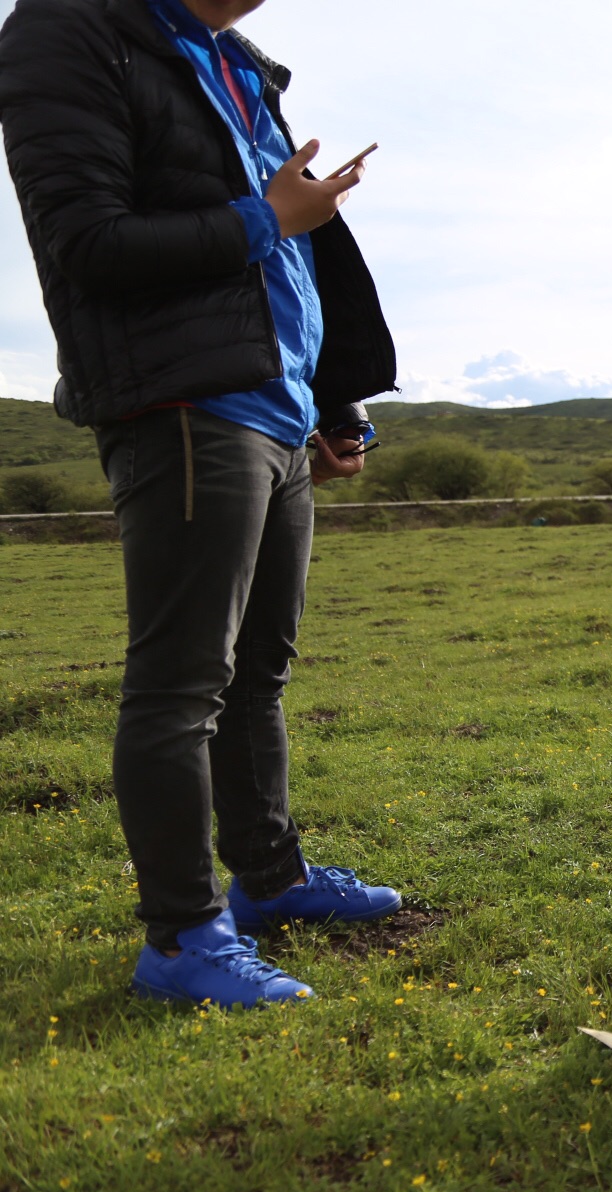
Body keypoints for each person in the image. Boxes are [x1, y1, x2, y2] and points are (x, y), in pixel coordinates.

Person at [0, 0, 402, 1008]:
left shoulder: (240, 66)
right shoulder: (67, 30)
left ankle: (271, 883)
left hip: (276, 408)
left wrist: (332, 395)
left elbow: (291, 263)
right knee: (182, 686)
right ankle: (181, 939)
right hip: (184, 407)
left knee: (258, 670)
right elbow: (88, 242)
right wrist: (273, 214)